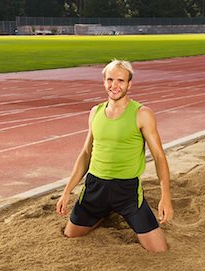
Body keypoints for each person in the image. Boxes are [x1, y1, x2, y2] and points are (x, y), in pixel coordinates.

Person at [56, 59, 173, 252]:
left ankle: (113, 211)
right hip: (95, 187)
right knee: (71, 235)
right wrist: (67, 191)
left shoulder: (142, 114)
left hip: (126, 191)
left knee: (159, 249)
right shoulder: (95, 112)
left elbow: (159, 156)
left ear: (129, 84)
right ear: (104, 82)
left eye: (120, 80)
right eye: (110, 79)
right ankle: (103, 212)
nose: (114, 85)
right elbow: (86, 153)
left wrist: (165, 196)